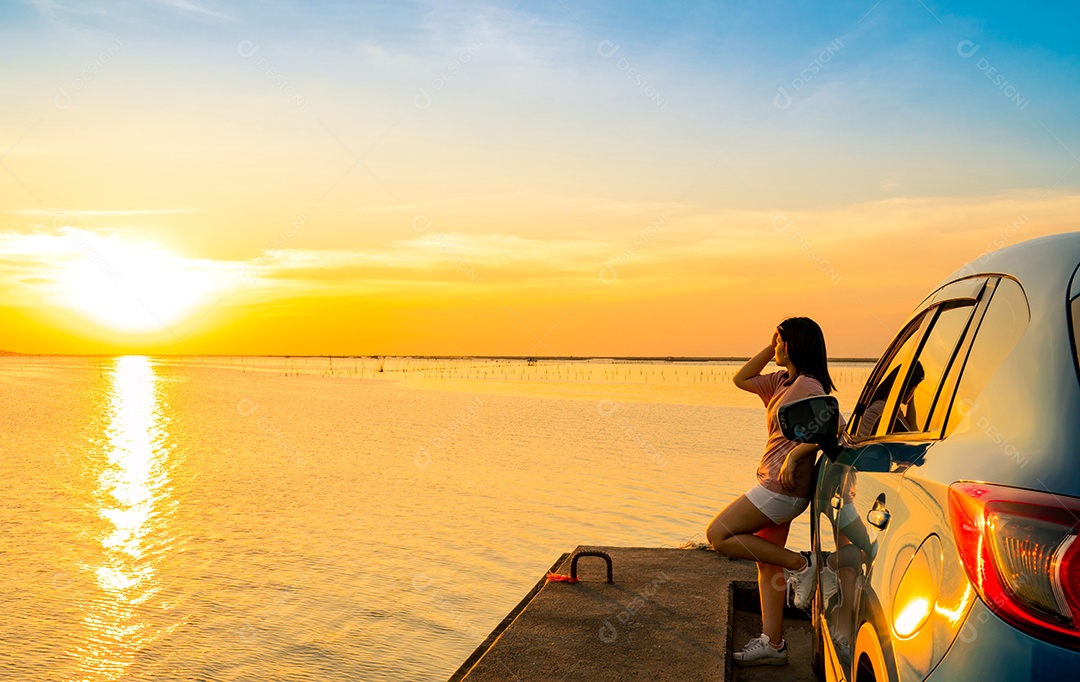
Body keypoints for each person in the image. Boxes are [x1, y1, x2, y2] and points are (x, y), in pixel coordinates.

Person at [705, 317, 836, 667]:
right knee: (765, 562)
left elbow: (833, 427)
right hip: (770, 482)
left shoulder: (808, 385)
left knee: (719, 535)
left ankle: (803, 564)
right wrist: (772, 344)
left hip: (781, 488)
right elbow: (741, 378)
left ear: (792, 345)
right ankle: (773, 643)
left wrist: (796, 453)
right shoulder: (780, 381)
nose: (774, 347)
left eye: (779, 341)